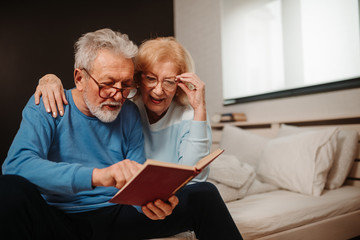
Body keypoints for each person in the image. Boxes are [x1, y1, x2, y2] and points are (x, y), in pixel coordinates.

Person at [1, 28, 243, 239]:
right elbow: (17, 166)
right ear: (80, 78)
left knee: (204, 194)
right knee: (8, 188)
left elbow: (137, 179)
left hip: (116, 215)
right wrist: (97, 176)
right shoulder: (46, 104)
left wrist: (148, 204)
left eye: (125, 85)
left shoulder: (128, 112)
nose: (117, 95)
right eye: (107, 84)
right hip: (58, 218)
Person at [35, 37, 212, 182]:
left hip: (172, 191)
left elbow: (196, 177)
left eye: (169, 82)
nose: (158, 90)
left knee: (206, 192)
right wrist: (49, 79)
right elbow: (90, 89)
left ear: (179, 84)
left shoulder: (191, 115)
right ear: (137, 78)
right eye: (151, 78)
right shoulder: (126, 107)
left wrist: (200, 109)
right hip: (140, 193)